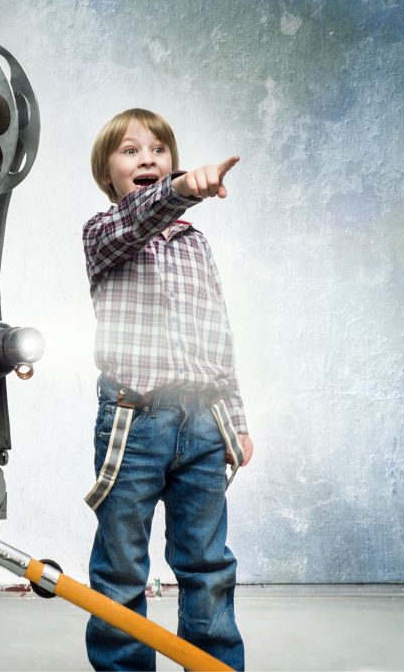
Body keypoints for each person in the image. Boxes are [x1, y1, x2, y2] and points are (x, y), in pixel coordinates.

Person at [81, 109, 254, 670]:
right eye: (130, 151)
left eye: (158, 149)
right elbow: (140, 218)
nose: (148, 158)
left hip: (202, 423)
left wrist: (234, 420)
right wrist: (180, 190)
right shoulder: (104, 234)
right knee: (122, 567)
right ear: (108, 175)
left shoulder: (195, 243)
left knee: (207, 562)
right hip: (134, 423)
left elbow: (216, 335)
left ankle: (214, 663)